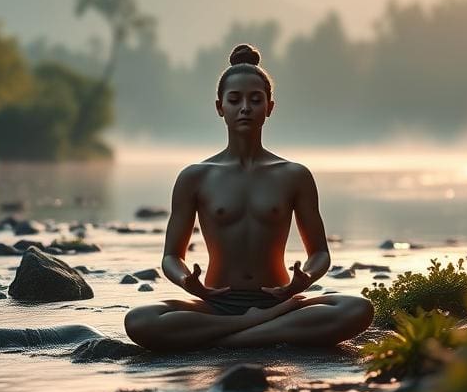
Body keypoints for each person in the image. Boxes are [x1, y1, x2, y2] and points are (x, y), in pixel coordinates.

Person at [124, 44, 374, 351]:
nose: (245, 108)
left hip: (278, 300)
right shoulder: (195, 177)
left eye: (255, 100)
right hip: (216, 304)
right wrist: (187, 280)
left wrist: (304, 279)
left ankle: (229, 337)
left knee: (357, 308)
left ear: (269, 107)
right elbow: (171, 257)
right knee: (139, 320)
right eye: (235, 100)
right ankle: (259, 327)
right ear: (220, 107)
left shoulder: (294, 175)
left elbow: (320, 252)